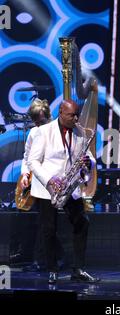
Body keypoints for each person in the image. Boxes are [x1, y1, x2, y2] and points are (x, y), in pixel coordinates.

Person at [27, 99, 99, 284]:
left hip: (70, 187)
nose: (75, 119)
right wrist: (50, 179)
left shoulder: (80, 131)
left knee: (82, 223)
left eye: (77, 114)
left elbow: (88, 156)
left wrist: (88, 163)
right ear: (60, 112)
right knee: (49, 229)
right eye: (71, 115)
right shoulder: (42, 132)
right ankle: (52, 269)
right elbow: (33, 162)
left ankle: (79, 269)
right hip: (48, 188)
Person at [18, 98, 64, 271]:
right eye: (35, 122)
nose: (38, 125)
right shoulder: (33, 133)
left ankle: (53, 258)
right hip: (37, 183)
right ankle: (49, 259)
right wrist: (25, 174)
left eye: (41, 121)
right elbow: (27, 157)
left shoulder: (57, 132)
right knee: (43, 222)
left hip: (55, 183)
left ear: (49, 116)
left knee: (47, 223)